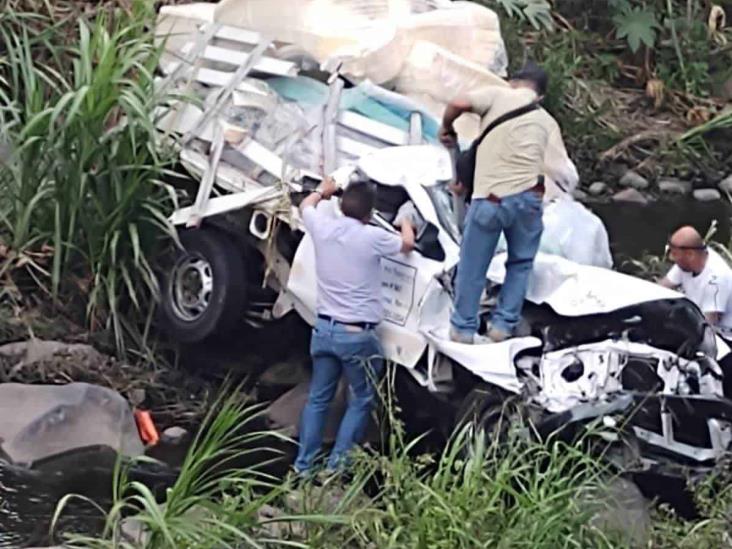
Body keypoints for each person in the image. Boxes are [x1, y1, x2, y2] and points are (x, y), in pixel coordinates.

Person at [438, 62, 576, 344]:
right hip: (530, 201)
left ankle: (463, 329)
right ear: (541, 95)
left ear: (513, 82)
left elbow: (458, 102)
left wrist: (447, 125)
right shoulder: (546, 119)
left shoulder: (499, 95)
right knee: (521, 264)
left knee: (473, 265)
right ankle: (502, 327)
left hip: (492, 198)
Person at [294, 176, 415, 476]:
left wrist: (325, 190)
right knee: (361, 398)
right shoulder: (372, 237)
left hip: (323, 330)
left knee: (318, 399)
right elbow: (408, 244)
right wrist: (406, 220)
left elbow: (306, 205)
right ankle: (337, 468)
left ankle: (304, 466)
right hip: (356, 336)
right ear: (370, 213)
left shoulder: (323, 228)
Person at [659, 225, 732, 335]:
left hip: (722, 336)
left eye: (674, 254)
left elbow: (708, 325)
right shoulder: (686, 264)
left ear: (690, 254)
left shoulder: (717, 278)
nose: (671, 258)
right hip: (695, 320)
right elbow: (660, 288)